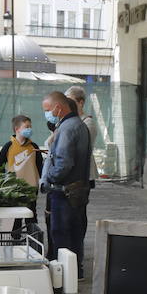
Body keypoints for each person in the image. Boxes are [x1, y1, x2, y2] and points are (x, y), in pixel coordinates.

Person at [41, 92, 92, 274]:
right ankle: (75, 273)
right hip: (77, 190)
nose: (47, 114)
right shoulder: (79, 125)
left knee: (62, 236)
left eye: (48, 110)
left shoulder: (68, 128)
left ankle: (64, 277)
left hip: (64, 192)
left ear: (58, 108)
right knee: (75, 234)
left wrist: (49, 179)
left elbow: (63, 163)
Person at [67, 86, 99, 188]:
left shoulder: (88, 122)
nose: (68, 105)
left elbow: (81, 146)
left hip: (82, 173)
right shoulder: (68, 121)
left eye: (71, 101)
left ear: (81, 102)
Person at [0, 114, 40, 186]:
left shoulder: (34, 146)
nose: (29, 129)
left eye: (30, 127)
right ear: (17, 129)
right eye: (26, 127)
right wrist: (1, 181)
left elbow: (39, 165)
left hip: (32, 186)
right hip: (13, 187)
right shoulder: (8, 146)